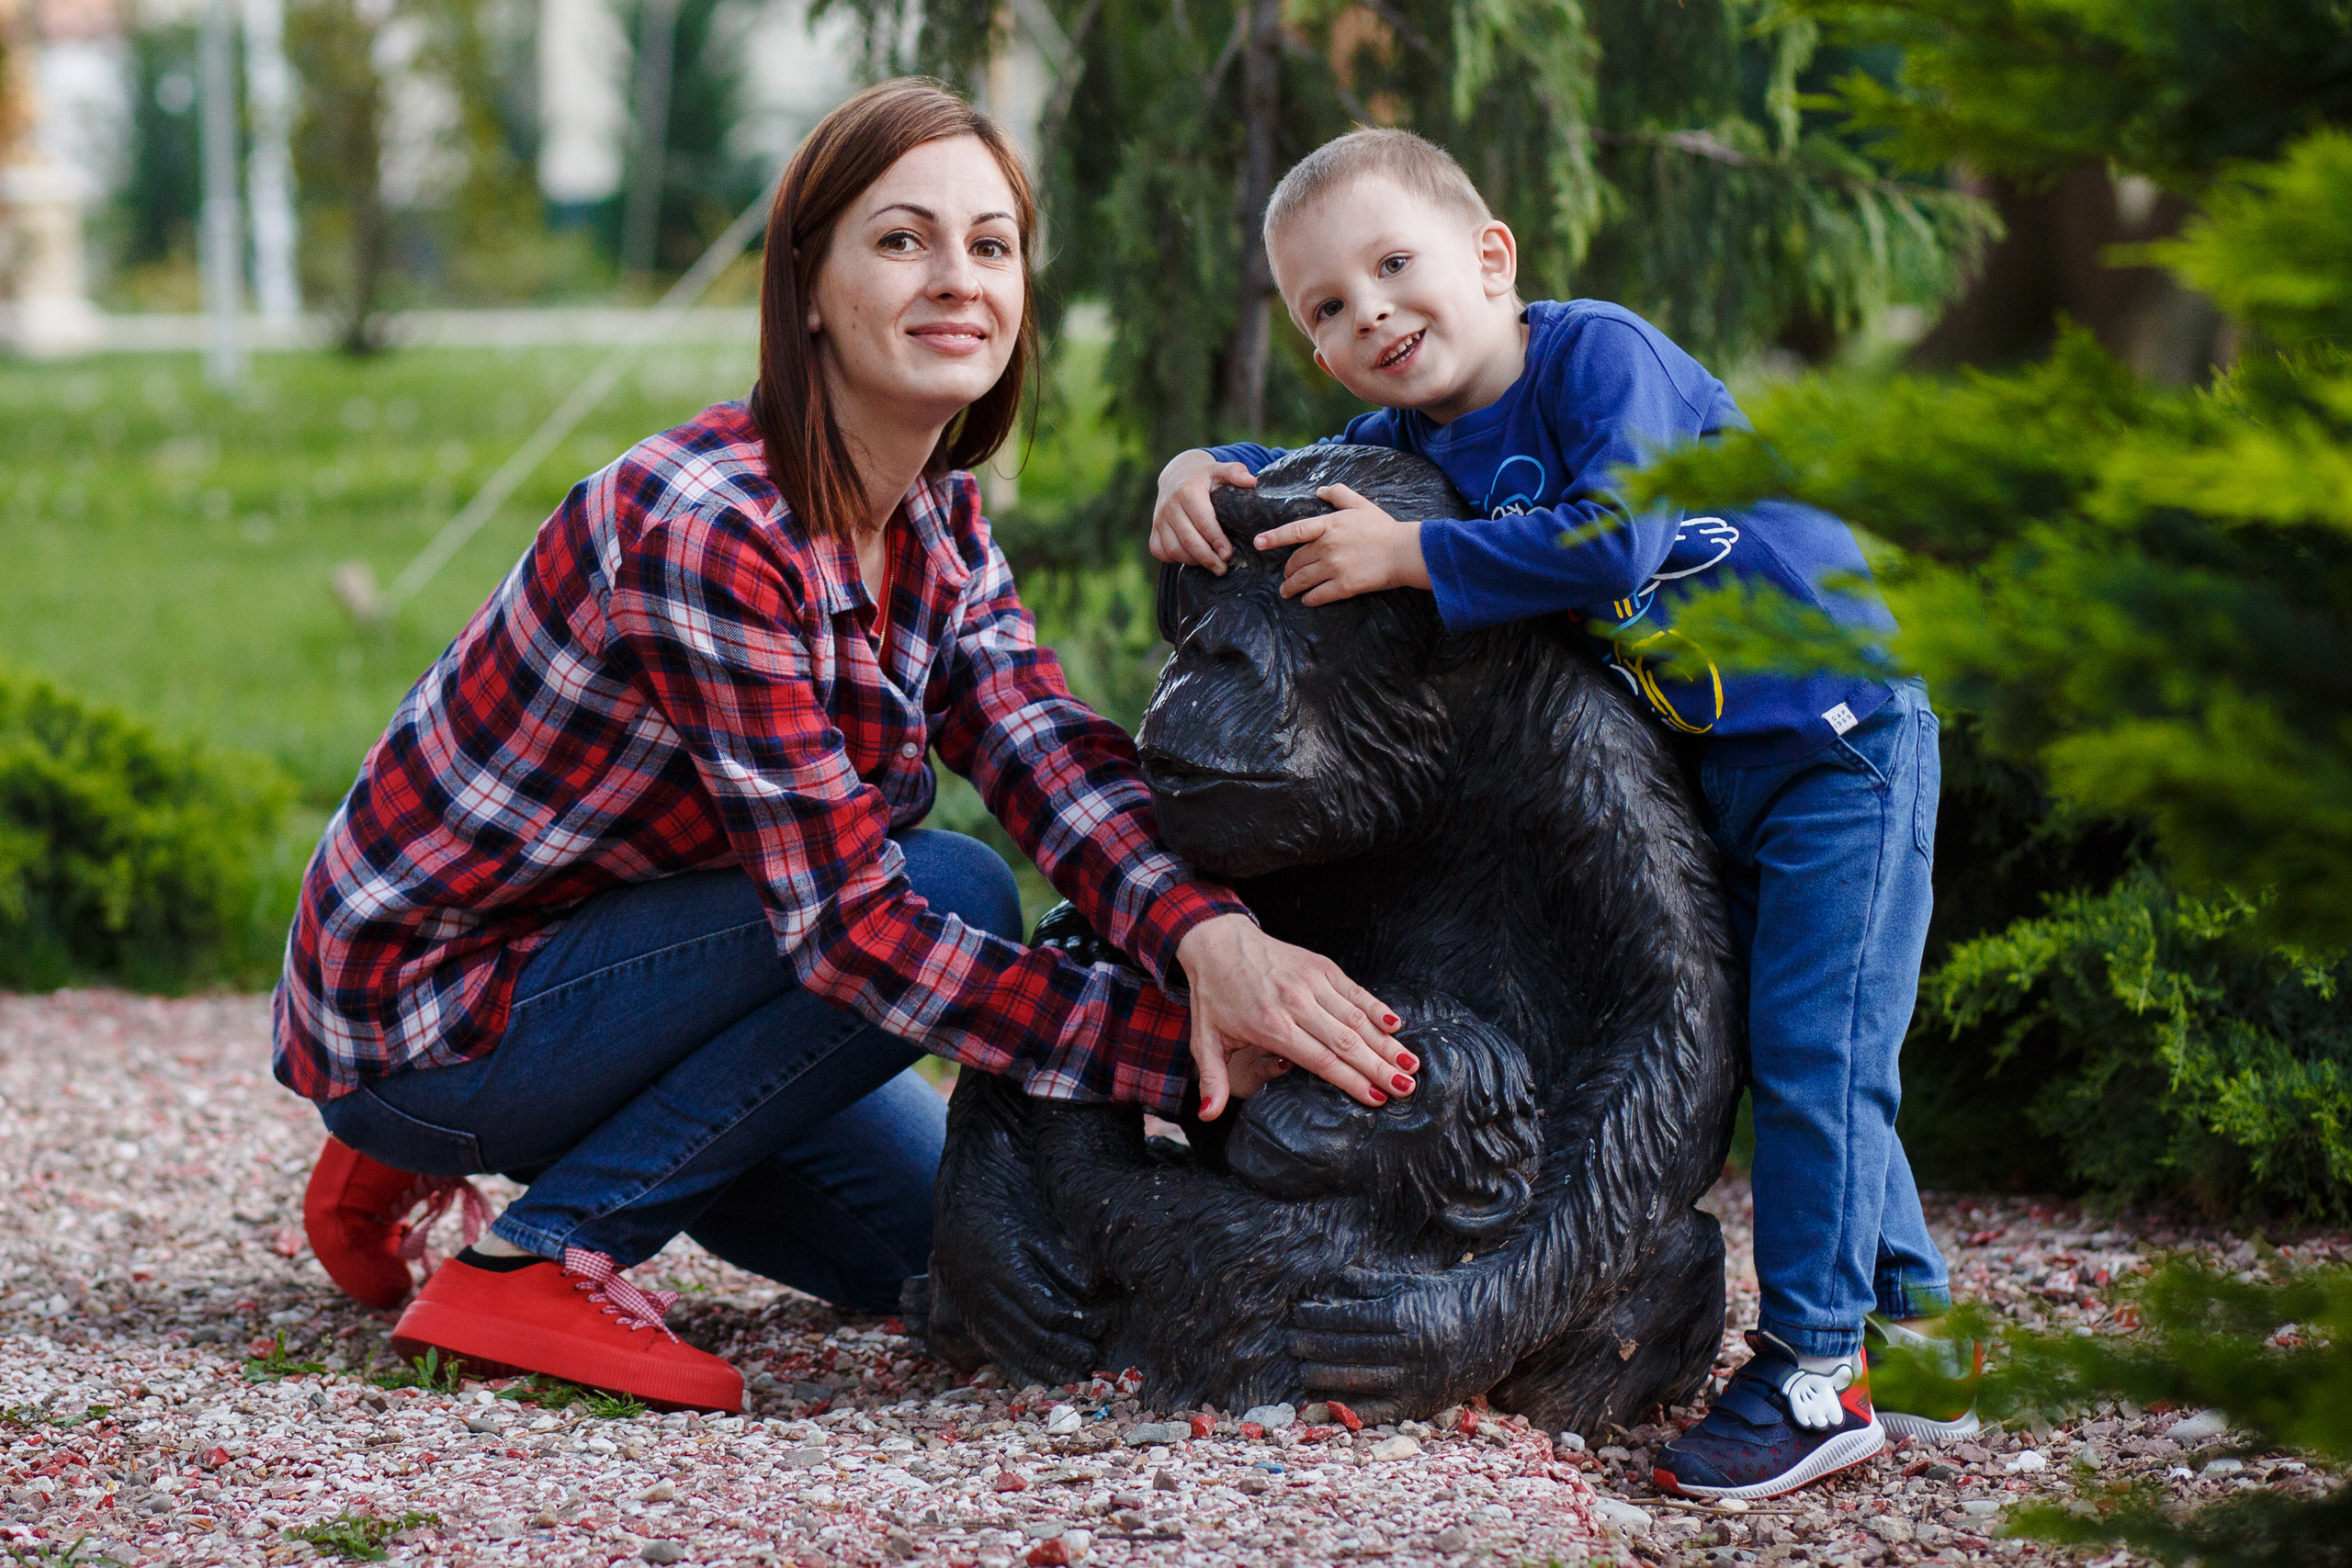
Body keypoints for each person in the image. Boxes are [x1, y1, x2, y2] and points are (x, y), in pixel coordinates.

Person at [276, 80, 1420, 1415]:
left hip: (619, 962)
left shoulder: (936, 516)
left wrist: (1210, 941)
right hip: (435, 1001)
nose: (959, 280)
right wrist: (1177, 1051)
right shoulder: (706, 527)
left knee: (958, 1255)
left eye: (990, 245)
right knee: (953, 888)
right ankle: (532, 1256)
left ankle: (503, 1133)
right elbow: (852, 936)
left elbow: (1043, 751)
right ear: (809, 285)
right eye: (901, 239)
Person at [1150, 128, 1976, 1499]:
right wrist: (1194, 466)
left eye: (1395, 266)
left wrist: (1412, 553)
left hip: (1839, 744)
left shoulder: (1599, 359)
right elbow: (1289, 468)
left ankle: (1817, 1374)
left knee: (1818, 1052)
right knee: (1809, 1039)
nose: (1373, 314)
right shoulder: (1414, 436)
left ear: (1492, 259)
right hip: (1722, 767)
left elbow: (1619, 536)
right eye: (1329, 307)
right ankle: (1923, 1341)